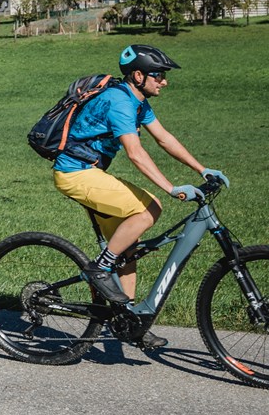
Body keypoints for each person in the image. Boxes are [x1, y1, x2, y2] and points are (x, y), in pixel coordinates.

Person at [51, 44, 227, 349]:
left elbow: (164, 138)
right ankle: (99, 268)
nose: (164, 82)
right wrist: (170, 188)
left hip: (91, 172)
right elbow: (135, 152)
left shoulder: (137, 102)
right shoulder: (119, 101)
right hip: (75, 174)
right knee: (150, 208)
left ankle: (129, 320)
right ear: (138, 75)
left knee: (128, 247)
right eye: (158, 75)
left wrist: (203, 170)